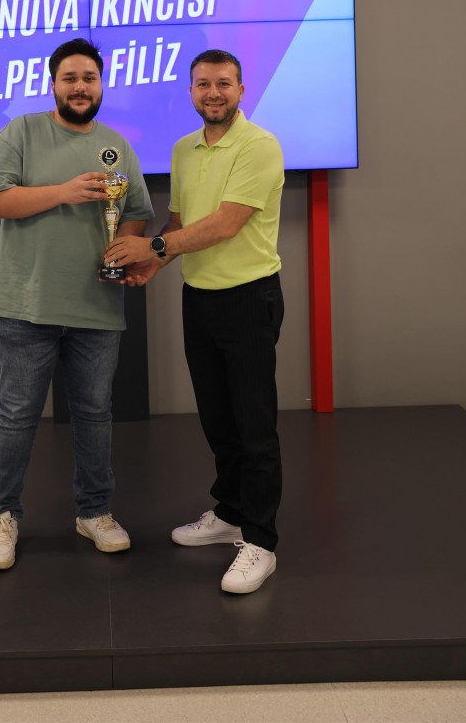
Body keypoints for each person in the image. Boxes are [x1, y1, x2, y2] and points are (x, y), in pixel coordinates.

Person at [104, 49, 285, 595]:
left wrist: (153, 247)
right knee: (217, 419)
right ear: (190, 92)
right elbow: (181, 222)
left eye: (223, 83)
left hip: (249, 298)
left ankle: (260, 540)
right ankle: (230, 513)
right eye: (203, 84)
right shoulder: (184, 149)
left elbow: (226, 224)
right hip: (199, 298)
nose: (213, 93)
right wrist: (152, 265)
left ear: (241, 90)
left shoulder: (259, 146)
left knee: (254, 425)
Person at [0, 37, 154, 571]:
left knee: (95, 414)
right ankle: (2, 515)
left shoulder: (117, 146)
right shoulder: (21, 132)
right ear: (53, 83)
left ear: (101, 85)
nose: (80, 87)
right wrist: (64, 190)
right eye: (70, 78)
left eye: (89, 78)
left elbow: (136, 213)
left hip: (96, 306)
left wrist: (122, 252)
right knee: (16, 416)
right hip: (24, 304)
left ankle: (94, 511)